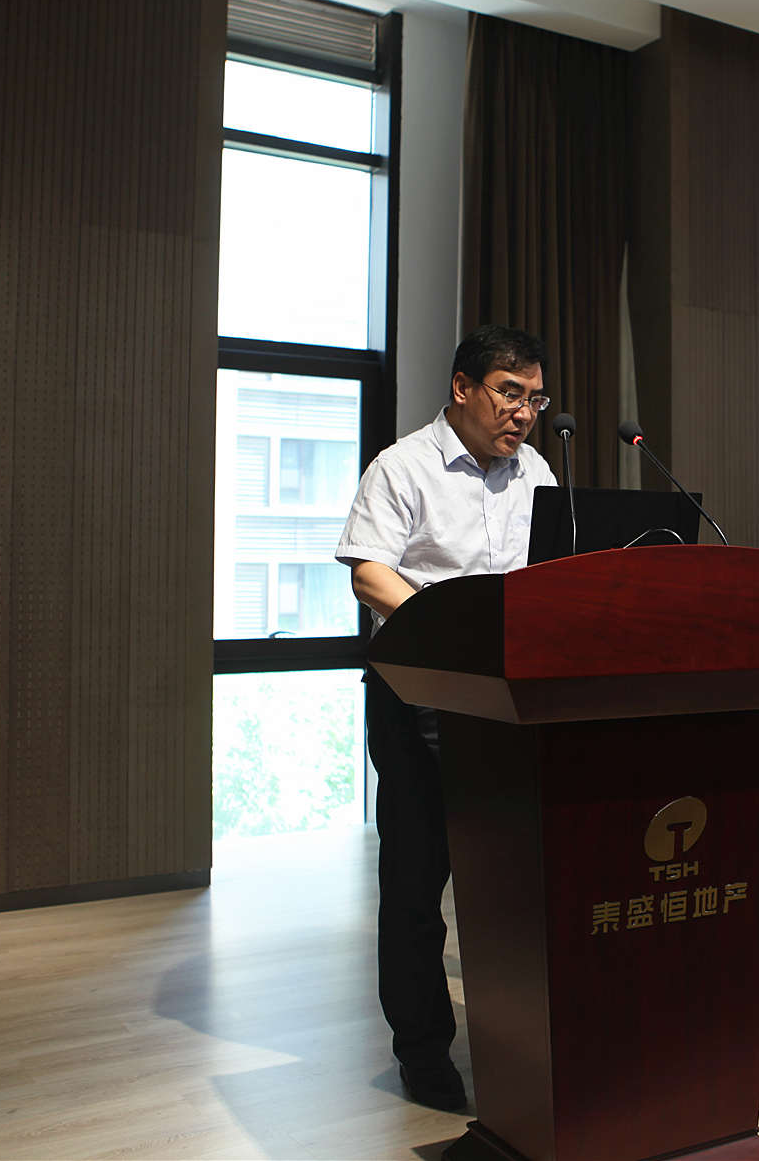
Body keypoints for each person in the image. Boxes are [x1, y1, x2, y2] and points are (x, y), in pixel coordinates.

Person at [334, 325, 557, 1110]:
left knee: (514, 876)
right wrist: (450, 631)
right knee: (417, 881)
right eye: (509, 393)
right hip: (420, 694)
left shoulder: (536, 473)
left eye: (535, 399)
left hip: (512, 698)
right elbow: (370, 573)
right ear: (463, 387)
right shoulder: (403, 466)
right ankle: (423, 1050)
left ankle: (522, 1035)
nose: (522, 412)